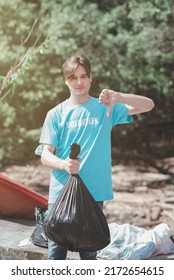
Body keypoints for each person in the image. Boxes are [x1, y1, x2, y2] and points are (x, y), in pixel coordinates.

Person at [36, 54, 154, 260]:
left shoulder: (105, 108)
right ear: (66, 81)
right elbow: (45, 156)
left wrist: (119, 96)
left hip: (94, 194)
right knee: (55, 255)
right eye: (73, 77)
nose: (79, 82)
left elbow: (148, 105)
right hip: (60, 194)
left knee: (89, 255)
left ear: (91, 78)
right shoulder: (56, 114)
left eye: (83, 76)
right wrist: (64, 165)